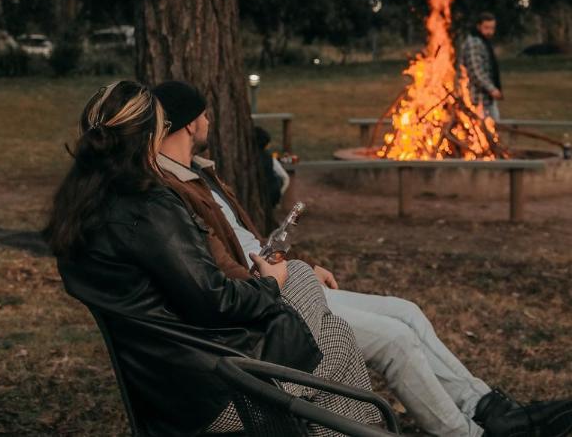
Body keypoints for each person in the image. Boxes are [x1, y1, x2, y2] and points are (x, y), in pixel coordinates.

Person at [153, 79, 572, 437]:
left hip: (277, 281)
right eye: (205, 115)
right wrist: (277, 278)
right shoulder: (170, 190)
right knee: (397, 341)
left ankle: (488, 408)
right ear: (191, 123)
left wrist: (296, 267)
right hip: (268, 302)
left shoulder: (197, 172)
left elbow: (240, 242)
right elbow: (216, 268)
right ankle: (468, 433)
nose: (209, 121)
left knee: (407, 312)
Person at [46, 80, 381, 437]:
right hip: (214, 385)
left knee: (330, 327)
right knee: (311, 297)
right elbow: (214, 299)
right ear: (150, 137)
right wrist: (270, 284)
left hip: (164, 377)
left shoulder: (80, 209)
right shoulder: (148, 207)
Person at [460, 13, 503, 120]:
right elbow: (476, 71)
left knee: (493, 130)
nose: (489, 32)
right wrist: (492, 89)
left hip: (486, 99)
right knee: (484, 131)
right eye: (486, 28)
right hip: (477, 99)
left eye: (492, 28)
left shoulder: (483, 42)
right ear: (479, 26)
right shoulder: (474, 43)